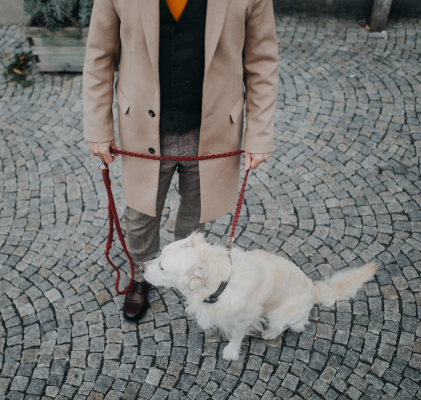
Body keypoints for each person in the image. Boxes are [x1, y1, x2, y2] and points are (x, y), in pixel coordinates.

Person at [82, 0, 279, 322]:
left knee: (197, 211)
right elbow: (99, 56)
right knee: (141, 213)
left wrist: (259, 135)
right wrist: (98, 128)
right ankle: (143, 273)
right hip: (142, 130)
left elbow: (262, 62)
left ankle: (187, 268)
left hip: (214, 131)